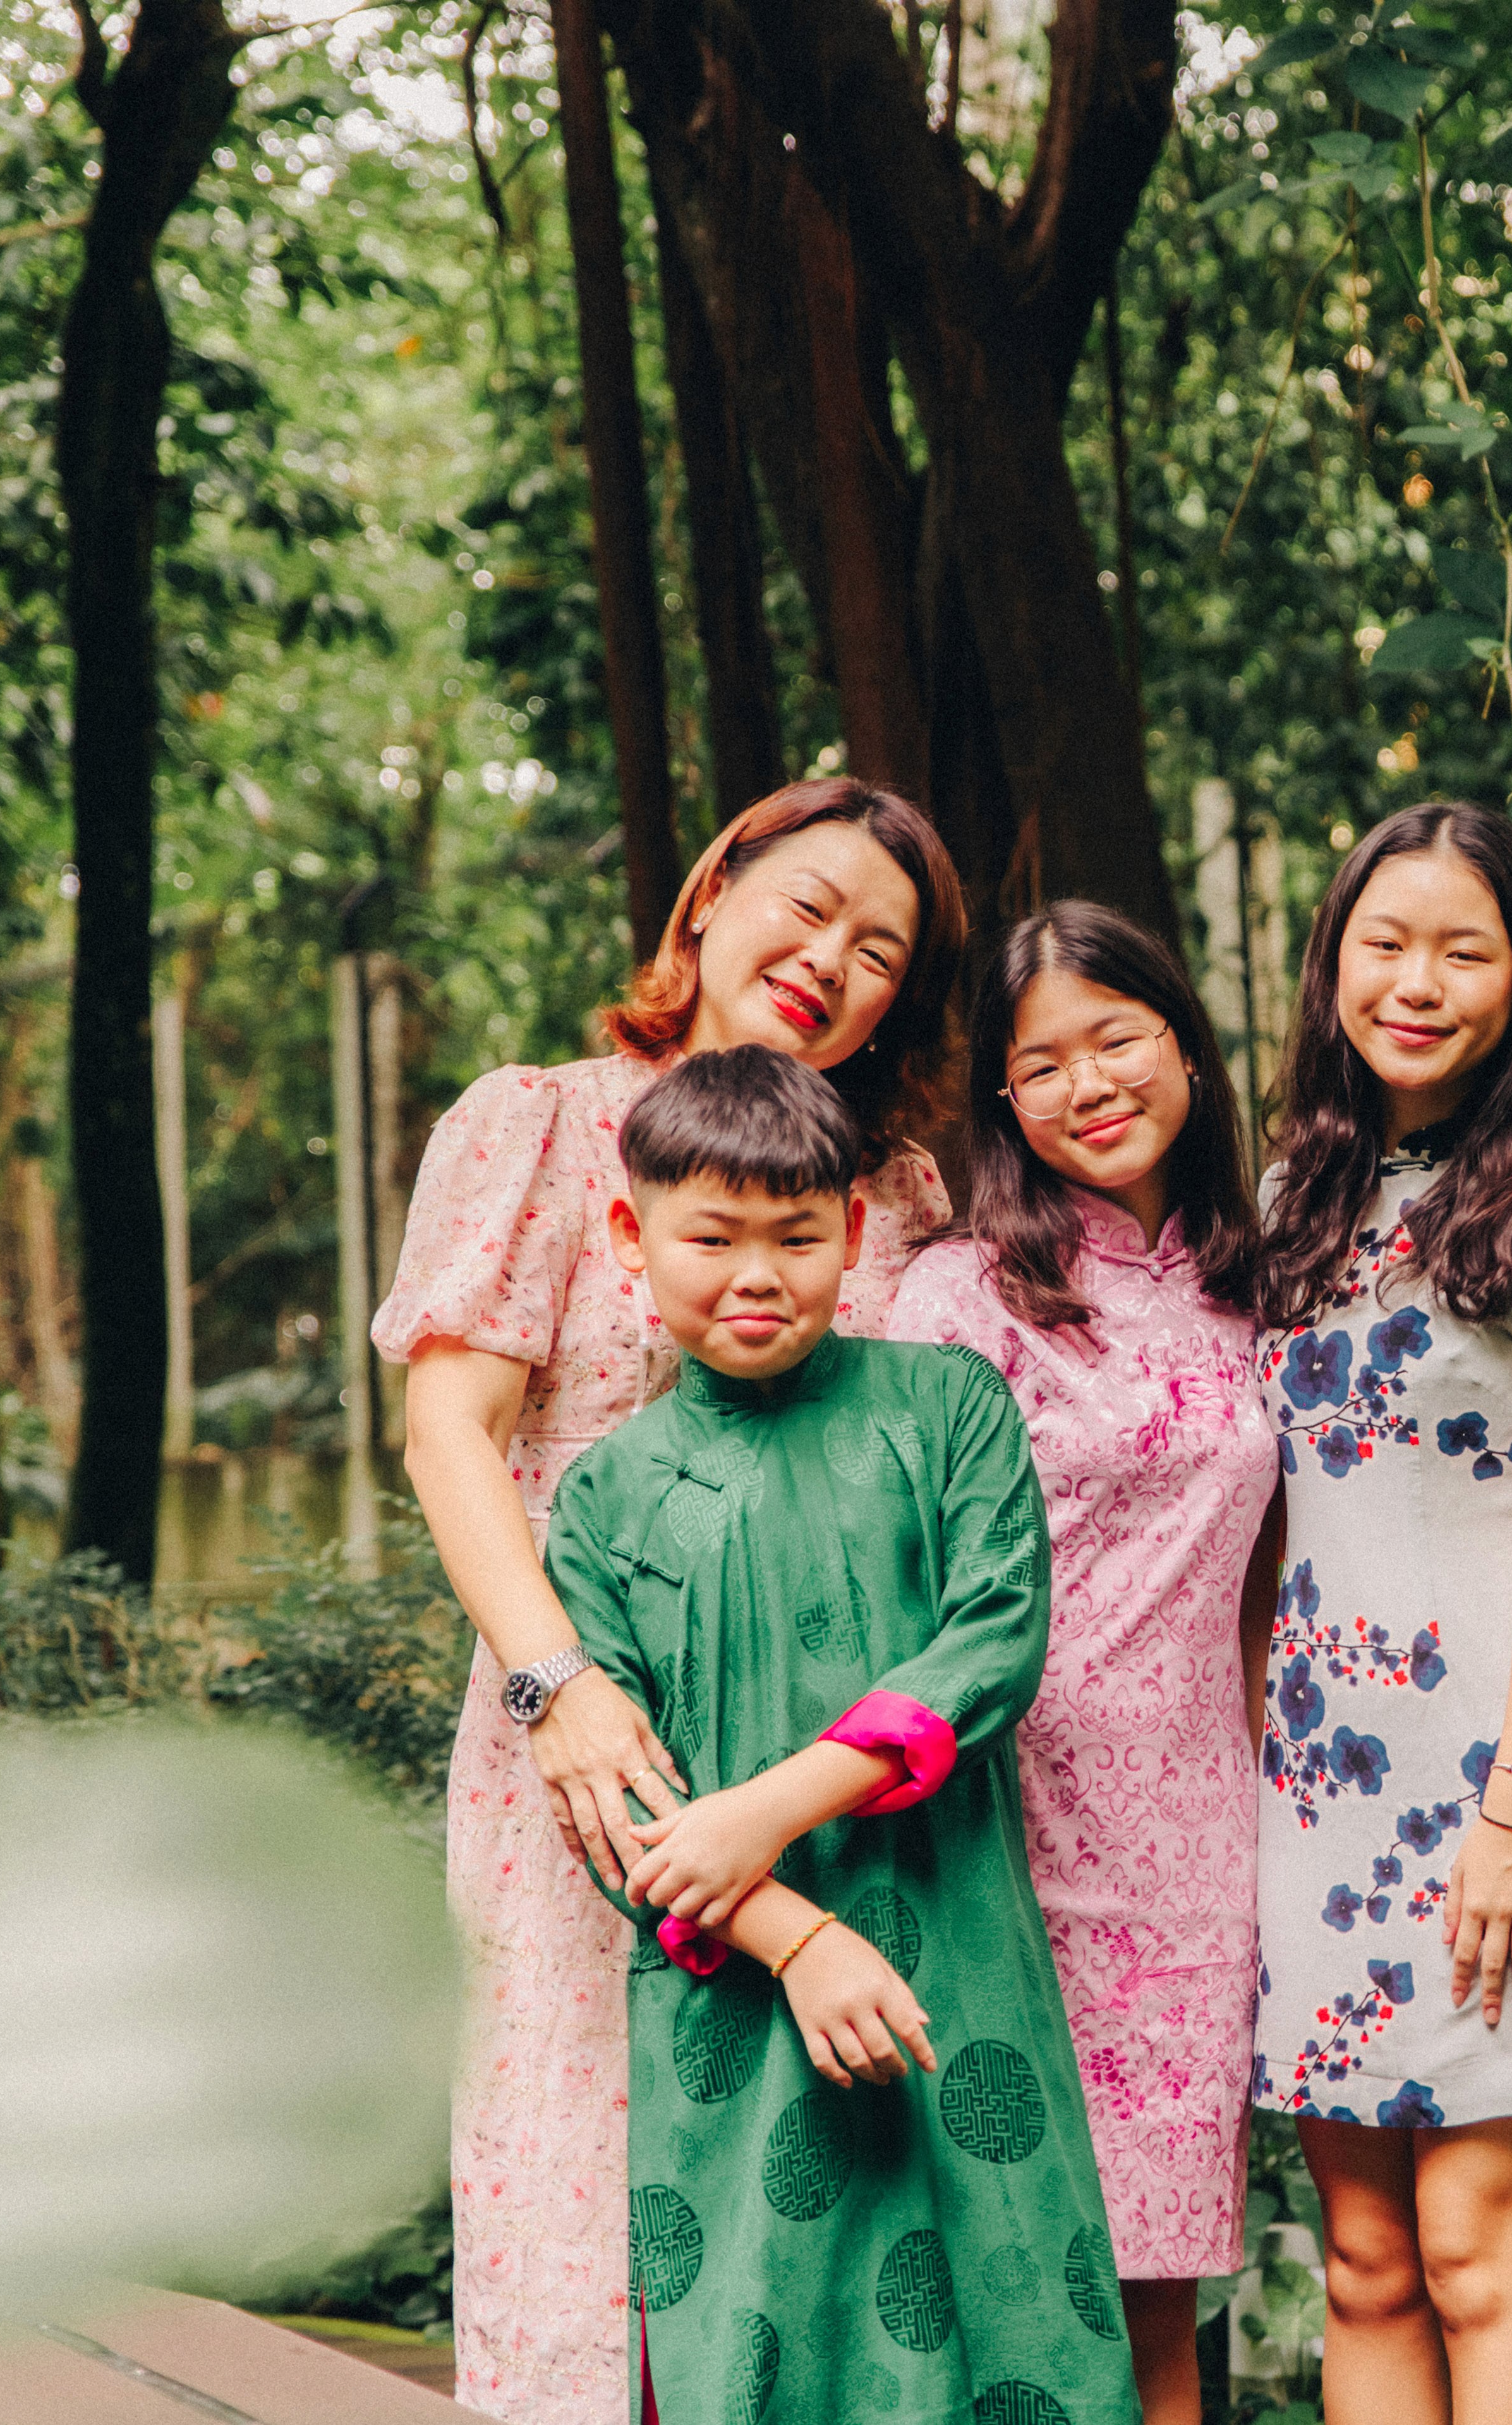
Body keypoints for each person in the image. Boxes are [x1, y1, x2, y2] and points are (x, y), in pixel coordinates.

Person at [372, 777, 965, 2425]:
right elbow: (452, 1427)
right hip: (580, 1736)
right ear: (712, 890)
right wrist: (558, 1685)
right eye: (810, 905)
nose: (830, 959)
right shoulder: (542, 1122)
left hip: (816, 1769)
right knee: (578, 2238)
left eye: (880, 952)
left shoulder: (894, 1197)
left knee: (809, 2244)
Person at [548, 1045, 1137, 2425]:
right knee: (765, 2352)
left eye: (797, 1235)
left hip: (960, 1956)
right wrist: (797, 1937)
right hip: (734, 1997)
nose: (756, 1272)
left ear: (853, 1234)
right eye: (712, 1235)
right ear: (634, 1236)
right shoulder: (603, 1500)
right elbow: (615, 1807)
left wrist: (761, 1809)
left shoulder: (945, 1406)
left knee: (1015, 2330)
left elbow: (992, 1642)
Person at [1250, 801, 1512, 2425]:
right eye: (1385, 940)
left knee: (1482, 2250)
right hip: (1321, 1794)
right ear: (1333, 961)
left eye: (1464, 949)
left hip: (1504, 1780)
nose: (1416, 980)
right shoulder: (1290, 1197)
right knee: (1360, 2256)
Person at [883, 903, 1274, 2425]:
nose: (1087, 1081)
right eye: (1038, 1062)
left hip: (1189, 1854)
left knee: (1146, 2298)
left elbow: (1270, 1581)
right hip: (994, 1835)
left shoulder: (1259, 1281)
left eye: (1116, 1035)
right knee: (984, 2272)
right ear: (1002, 1102)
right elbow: (908, 1584)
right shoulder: (957, 1294)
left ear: (1182, 1041)